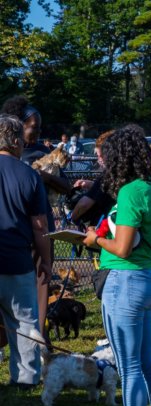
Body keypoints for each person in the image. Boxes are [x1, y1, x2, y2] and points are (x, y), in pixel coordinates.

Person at [82, 126, 151, 406]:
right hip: (147, 278)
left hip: (125, 282)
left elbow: (121, 246)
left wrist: (95, 240)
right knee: (150, 364)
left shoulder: (131, 191)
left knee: (131, 368)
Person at [1, 96, 69, 341]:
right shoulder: (8, 155)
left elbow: (67, 187)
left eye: (39, 127)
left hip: (41, 223)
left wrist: (46, 177)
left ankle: (40, 337)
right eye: (33, 127)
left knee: (42, 279)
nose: (37, 132)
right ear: (18, 127)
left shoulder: (45, 152)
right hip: (14, 228)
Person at [0, 114, 51, 389]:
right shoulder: (29, 175)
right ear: (17, 141)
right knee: (23, 321)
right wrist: (46, 260)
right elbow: (40, 227)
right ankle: (26, 377)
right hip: (17, 262)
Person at [70, 130, 116, 226]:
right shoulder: (126, 173)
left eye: (100, 156)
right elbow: (106, 189)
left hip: (105, 227)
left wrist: (72, 217)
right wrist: (90, 184)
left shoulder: (107, 176)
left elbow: (84, 204)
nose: (99, 160)